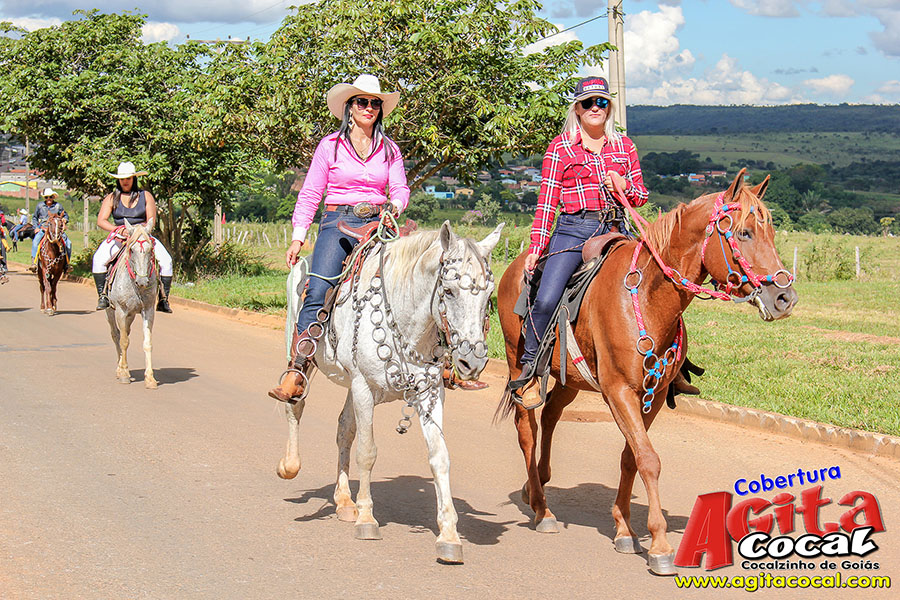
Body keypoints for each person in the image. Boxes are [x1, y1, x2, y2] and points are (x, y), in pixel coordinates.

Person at [268, 74, 410, 403]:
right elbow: (310, 194)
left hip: (379, 222)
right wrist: (298, 237)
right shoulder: (329, 146)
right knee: (318, 289)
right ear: (349, 107)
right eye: (362, 101)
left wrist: (396, 205)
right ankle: (297, 369)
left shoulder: (390, 150)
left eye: (376, 103)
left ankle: (433, 361)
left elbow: (400, 187)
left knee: (409, 280)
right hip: (337, 222)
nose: (370, 107)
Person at [510, 76, 649, 391]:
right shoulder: (560, 148)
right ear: (577, 109)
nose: (595, 108)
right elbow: (547, 201)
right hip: (574, 230)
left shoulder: (624, 146)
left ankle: (670, 366)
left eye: (601, 102)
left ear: (609, 107)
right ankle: (530, 365)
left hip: (616, 229)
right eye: (588, 103)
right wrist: (536, 246)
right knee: (546, 298)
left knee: (654, 285)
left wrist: (625, 186)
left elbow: (641, 194)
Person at [91, 162, 174, 312]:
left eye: (128, 178)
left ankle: (163, 299)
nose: (125, 181)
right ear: (118, 180)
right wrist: (117, 230)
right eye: (122, 178)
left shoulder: (145, 196)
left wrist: (139, 231)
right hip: (120, 237)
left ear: (134, 179)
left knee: (166, 261)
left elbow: (151, 220)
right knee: (98, 259)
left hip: (141, 237)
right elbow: (101, 220)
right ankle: (103, 296)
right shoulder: (111, 197)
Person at [29, 188, 71, 271]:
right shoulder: (40, 206)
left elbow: (65, 215)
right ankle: (34, 263)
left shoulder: (58, 206)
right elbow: (35, 218)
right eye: (46, 197)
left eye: (50, 197)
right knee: (35, 242)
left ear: (53, 197)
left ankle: (67, 264)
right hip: (44, 228)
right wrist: (36, 227)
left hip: (56, 229)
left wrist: (65, 220)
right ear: (44, 198)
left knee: (68, 243)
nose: (48, 199)